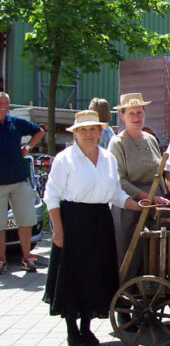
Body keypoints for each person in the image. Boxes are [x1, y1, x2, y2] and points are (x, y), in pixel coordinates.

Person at [42, 110, 143, 345]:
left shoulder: (108, 159)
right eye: (83, 130)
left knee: (95, 274)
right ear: (76, 133)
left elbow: (116, 194)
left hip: (100, 221)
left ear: (100, 132)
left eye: (93, 129)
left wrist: (138, 206)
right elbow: (51, 196)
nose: (89, 134)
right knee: (73, 274)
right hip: (73, 220)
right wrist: (58, 230)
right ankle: (72, 330)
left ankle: (86, 327)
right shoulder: (65, 159)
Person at [107, 94, 169, 278]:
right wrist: (145, 197)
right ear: (123, 116)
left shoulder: (150, 138)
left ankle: (150, 289)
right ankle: (127, 290)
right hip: (130, 204)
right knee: (130, 250)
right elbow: (119, 179)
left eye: (140, 112)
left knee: (153, 250)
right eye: (131, 113)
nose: (136, 117)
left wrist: (165, 198)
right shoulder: (117, 143)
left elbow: (159, 173)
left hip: (154, 204)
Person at [0, 91, 45, 274]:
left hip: (19, 180)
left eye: (5, 103)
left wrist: (27, 148)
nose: (3, 106)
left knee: (25, 221)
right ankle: (1, 261)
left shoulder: (15, 122)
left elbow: (39, 131)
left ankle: (27, 258)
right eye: (0, 103)